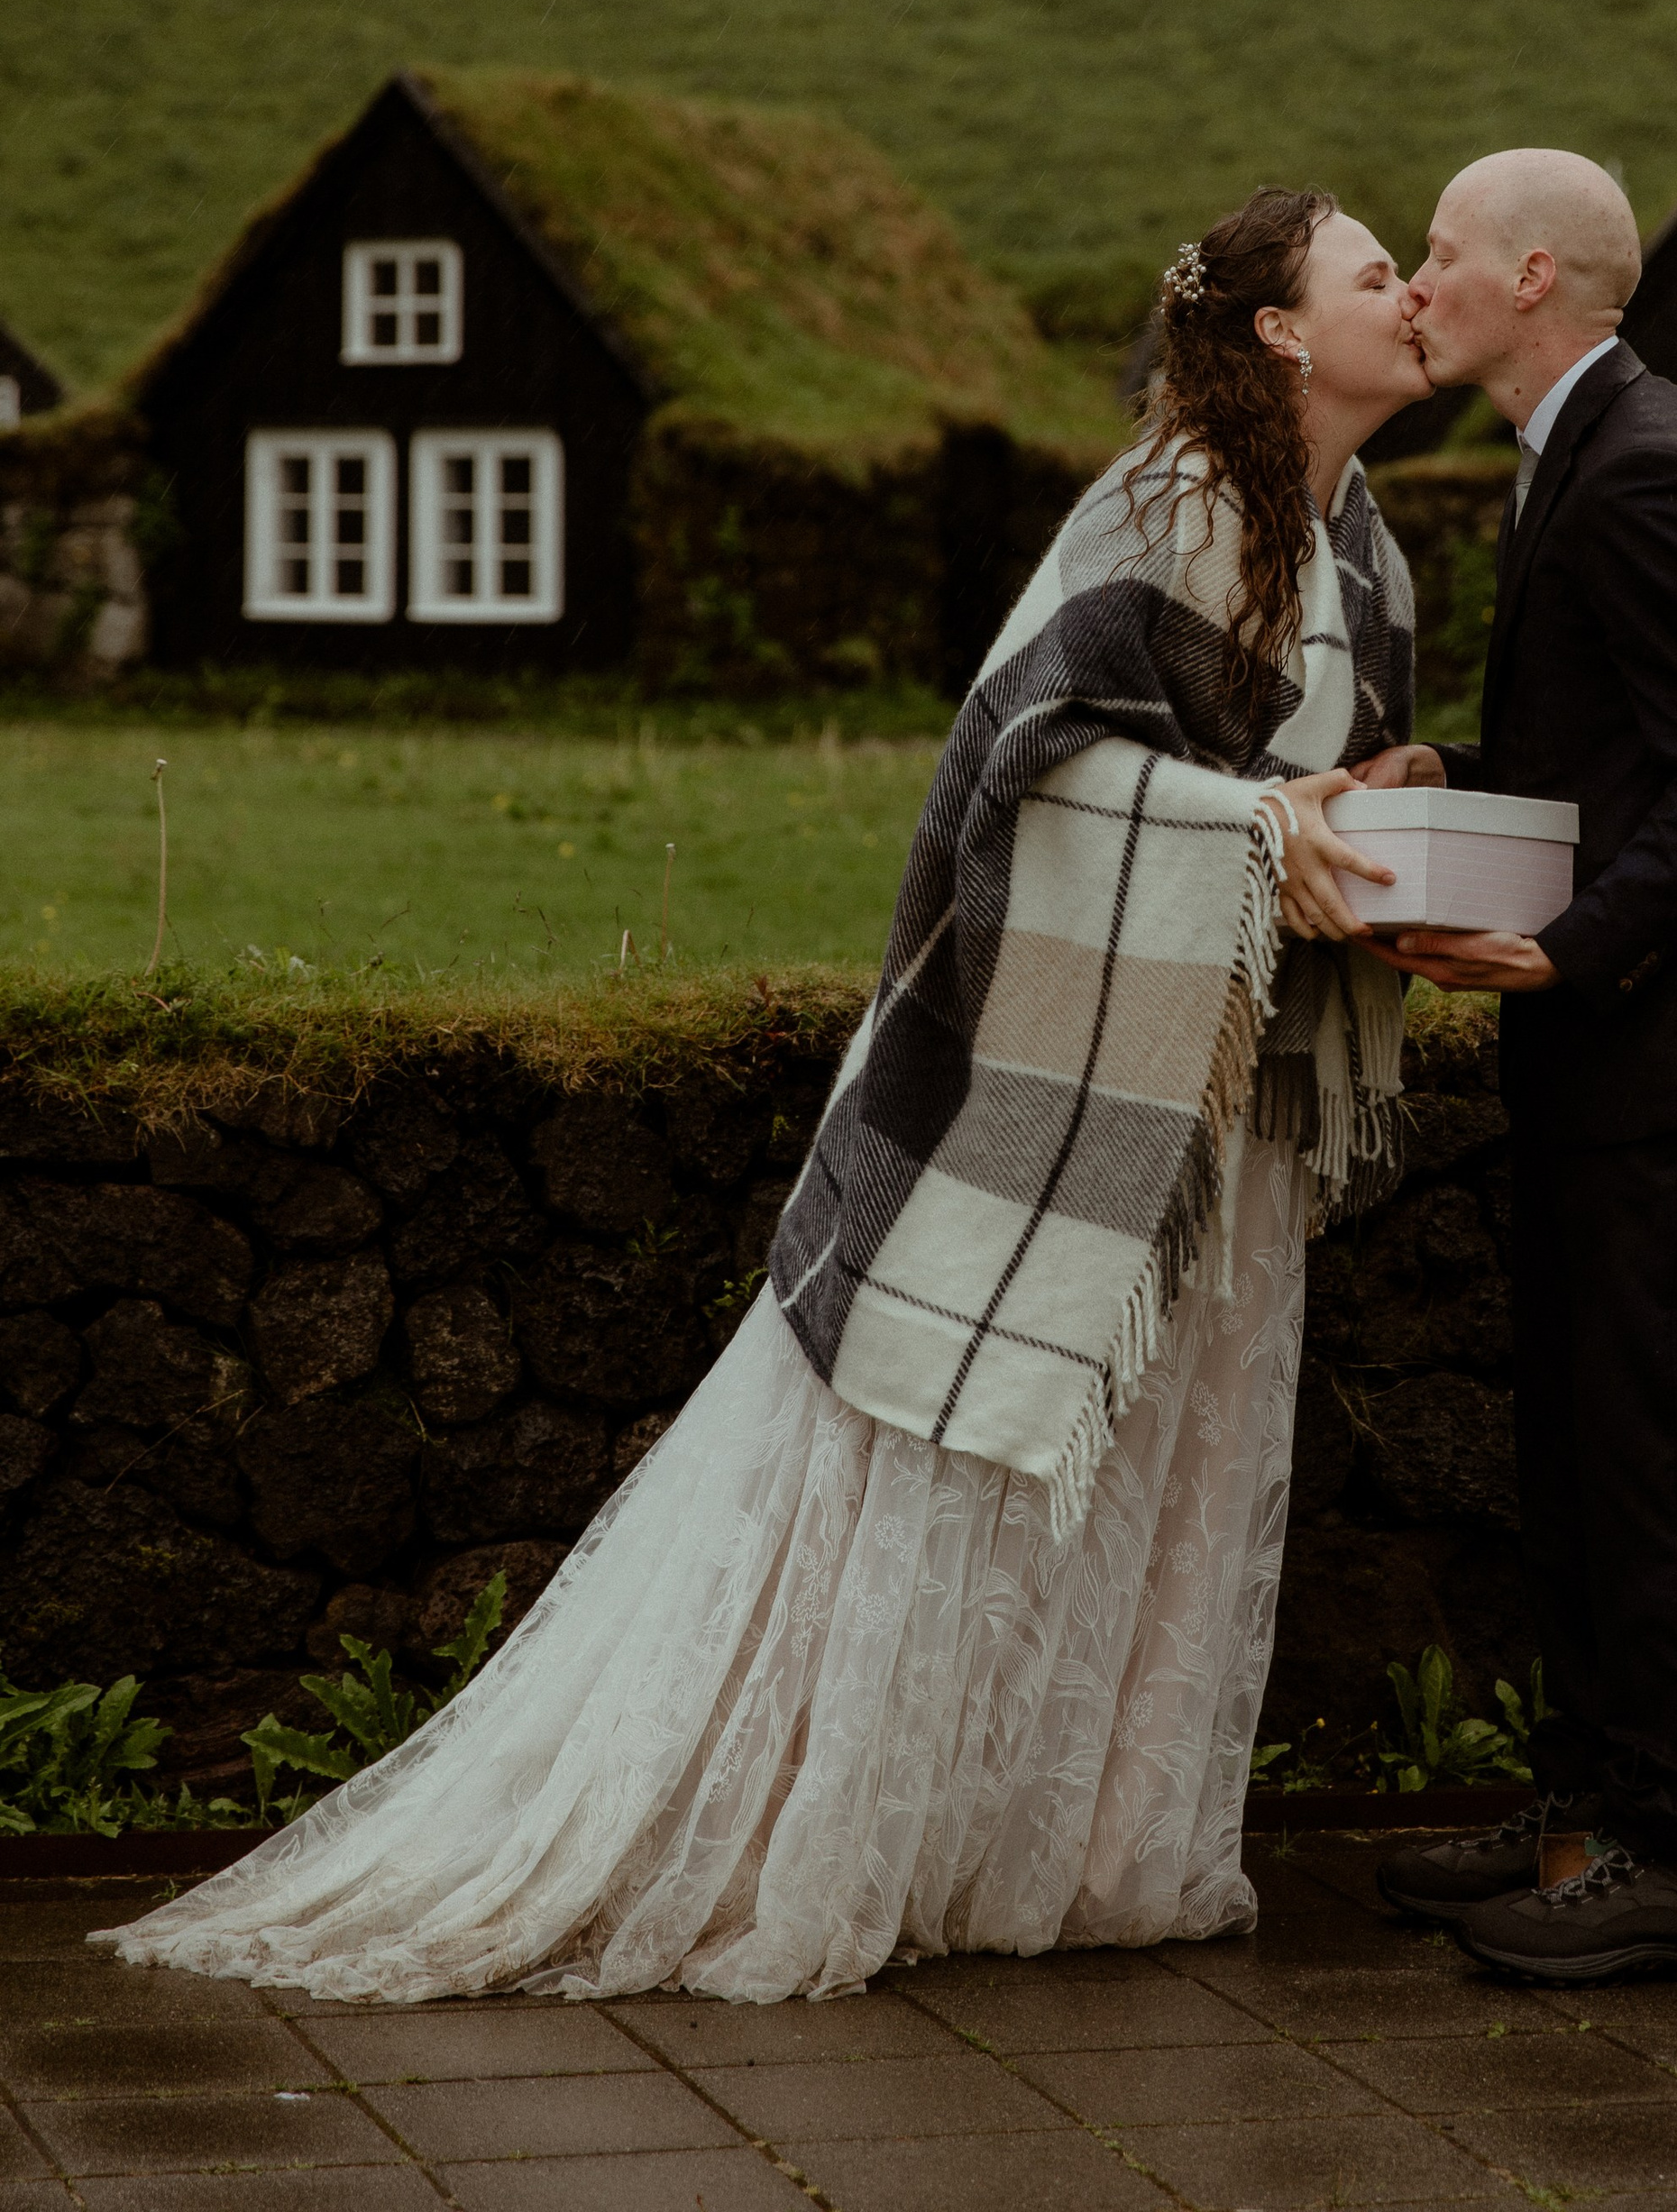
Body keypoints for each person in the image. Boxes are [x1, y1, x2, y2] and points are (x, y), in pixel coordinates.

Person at [98, 187, 1428, 2006]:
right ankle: (853, 1838)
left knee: (1167, 1475)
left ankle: (1078, 1851)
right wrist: (1267, 827)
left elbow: (1290, 789)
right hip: (1059, 1079)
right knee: (960, 1471)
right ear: (1281, 330)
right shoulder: (1165, 503)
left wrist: (1372, 822)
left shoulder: (1368, 549)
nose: (1413, 296)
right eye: (1374, 273)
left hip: (1221, 1103)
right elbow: (1029, 766)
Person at [1362, 148, 1677, 1987]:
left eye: (1431, 255)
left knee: (1644, 1454)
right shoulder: (1582, 448)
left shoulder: (1645, 468)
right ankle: (1588, 1808)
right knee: (1575, 1444)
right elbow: (1628, 762)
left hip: (1668, 1038)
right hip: (1613, 1033)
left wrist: (1559, 949)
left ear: (1528, 277)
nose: (1410, 283)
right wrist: (1458, 796)